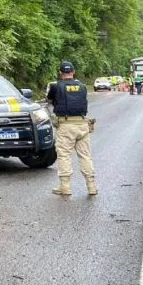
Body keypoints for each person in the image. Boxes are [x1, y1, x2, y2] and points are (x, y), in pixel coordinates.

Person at [46, 61, 96, 196]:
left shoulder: (55, 86)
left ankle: (65, 187)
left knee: (64, 156)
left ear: (61, 73)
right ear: (73, 72)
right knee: (85, 156)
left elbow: (49, 101)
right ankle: (91, 186)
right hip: (82, 125)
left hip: (65, 125)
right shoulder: (82, 86)